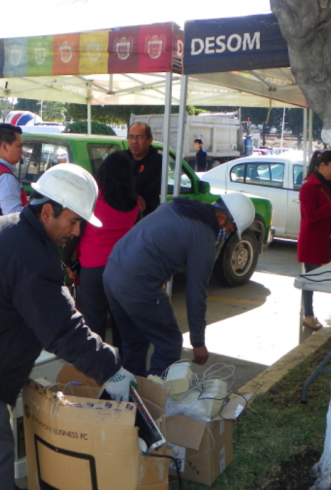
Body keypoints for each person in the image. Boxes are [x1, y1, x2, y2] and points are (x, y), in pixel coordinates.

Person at [0, 164, 135, 490]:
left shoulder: (0, 225)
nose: (77, 232)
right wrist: (111, 367)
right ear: (48, 212)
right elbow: (63, 329)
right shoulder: (31, 256)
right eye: (73, 221)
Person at [103, 193, 255, 377]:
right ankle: (152, 396)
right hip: (138, 283)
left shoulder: (177, 206)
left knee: (134, 341)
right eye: (230, 230)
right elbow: (196, 294)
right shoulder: (204, 238)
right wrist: (198, 342)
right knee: (170, 343)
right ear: (221, 218)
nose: (227, 234)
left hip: (111, 273)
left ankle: (129, 398)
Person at [72, 151, 139, 345]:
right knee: (121, 322)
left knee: (94, 323)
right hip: (123, 269)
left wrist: (69, 263)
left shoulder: (92, 197)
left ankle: (99, 369)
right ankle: (122, 367)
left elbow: (76, 232)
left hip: (93, 267)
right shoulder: (135, 203)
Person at [297, 150, 331, 331]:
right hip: (314, 240)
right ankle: (308, 315)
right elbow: (311, 215)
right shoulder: (308, 187)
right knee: (310, 280)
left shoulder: (328, 183)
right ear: (322, 166)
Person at [125, 122, 163, 216]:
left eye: (139, 137)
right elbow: (107, 181)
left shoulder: (157, 160)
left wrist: (132, 193)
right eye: (131, 137)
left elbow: (141, 184)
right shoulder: (121, 158)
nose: (134, 141)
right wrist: (135, 195)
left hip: (147, 216)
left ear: (149, 140)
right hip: (122, 215)